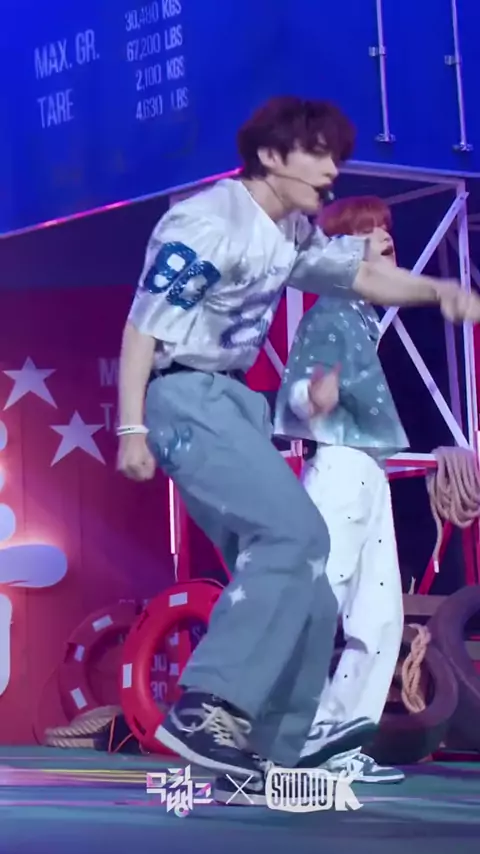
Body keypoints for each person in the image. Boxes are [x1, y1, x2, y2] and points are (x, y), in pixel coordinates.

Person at [116, 96, 480, 786]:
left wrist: (438, 292)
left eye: (336, 155)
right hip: (184, 396)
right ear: (270, 155)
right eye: (318, 153)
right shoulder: (207, 223)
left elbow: (362, 274)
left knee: (308, 582)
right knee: (297, 537)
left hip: (233, 402)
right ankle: (206, 705)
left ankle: (278, 745)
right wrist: (131, 426)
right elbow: (143, 327)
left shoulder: (292, 232)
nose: (332, 169)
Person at [273, 196, 407, 788]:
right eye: (368, 231)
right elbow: (300, 388)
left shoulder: (361, 317)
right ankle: (293, 738)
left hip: (368, 471)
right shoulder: (330, 312)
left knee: (379, 615)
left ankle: (341, 742)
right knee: (318, 603)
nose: (384, 238)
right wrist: (312, 397)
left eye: (386, 230)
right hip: (341, 468)